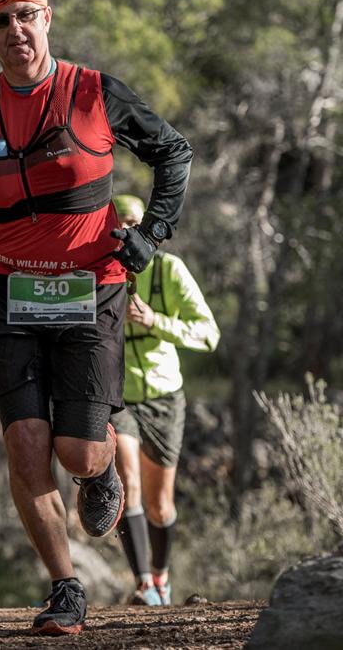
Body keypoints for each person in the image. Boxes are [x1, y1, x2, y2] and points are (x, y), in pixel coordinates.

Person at [0, 0, 193, 636]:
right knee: (25, 442)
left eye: (25, 15)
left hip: (91, 289)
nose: (16, 31)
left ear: (47, 18)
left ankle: (98, 474)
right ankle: (65, 588)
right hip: (7, 288)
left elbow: (173, 154)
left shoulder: (95, 92)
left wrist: (150, 235)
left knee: (76, 452)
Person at [108, 193, 219, 607]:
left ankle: (161, 576)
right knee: (128, 485)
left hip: (164, 395)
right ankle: (143, 586)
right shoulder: (99, 273)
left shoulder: (168, 271)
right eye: (118, 225)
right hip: (118, 397)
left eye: (134, 225)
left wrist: (154, 321)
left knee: (160, 503)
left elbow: (208, 334)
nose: (126, 234)